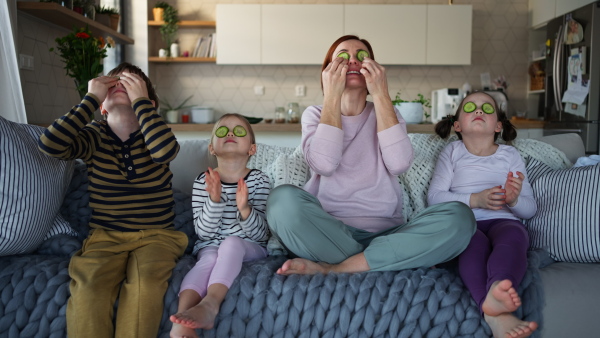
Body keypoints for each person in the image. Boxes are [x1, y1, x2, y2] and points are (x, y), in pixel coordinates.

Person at [266, 35, 476, 276]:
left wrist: (381, 93)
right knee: (281, 202)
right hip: (329, 233)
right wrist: (332, 96)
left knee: (460, 218)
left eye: (362, 56)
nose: (353, 61)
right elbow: (324, 164)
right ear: (328, 71)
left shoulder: (388, 112)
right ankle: (383, 260)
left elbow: (399, 164)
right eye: (343, 57)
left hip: (390, 234)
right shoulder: (314, 115)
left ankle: (336, 269)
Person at [38, 62, 188, 338]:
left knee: (146, 287)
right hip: (105, 237)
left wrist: (142, 103)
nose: (119, 86)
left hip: (158, 236)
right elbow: (49, 144)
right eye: (112, 85)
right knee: (89, 286)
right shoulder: (94, 136)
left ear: (149, 105)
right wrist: (89, 100)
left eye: (130, 85)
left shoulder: (153, 134)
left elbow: (165, 151)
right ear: (102, 106)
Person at [428, 91, 539, 338]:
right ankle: (492, 312)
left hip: (504, 220)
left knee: (513, 238)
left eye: (487, 109)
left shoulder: (510, 155)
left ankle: (499, 286)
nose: (479, 111)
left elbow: (529, 210)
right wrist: (474, 200)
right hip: (466, 224)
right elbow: (434, 197)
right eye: (471, 108)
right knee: (472, 245)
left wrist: (515, 200)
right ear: (457, 125)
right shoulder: (452, 153)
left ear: (498, 125)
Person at [170, 114, 270, 338]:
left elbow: (262, 234)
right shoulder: (202, 181)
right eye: (222, 131)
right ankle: (181, 320)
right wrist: (215, 200)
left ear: (252, 149)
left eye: (239, 131)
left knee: (232, 243)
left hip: (249, 246)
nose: (231, 133)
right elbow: (203, 233)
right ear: (212, 148)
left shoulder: (259, 180)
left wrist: (245, 209)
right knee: (208, 259)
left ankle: (210, 305)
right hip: (210, 245)